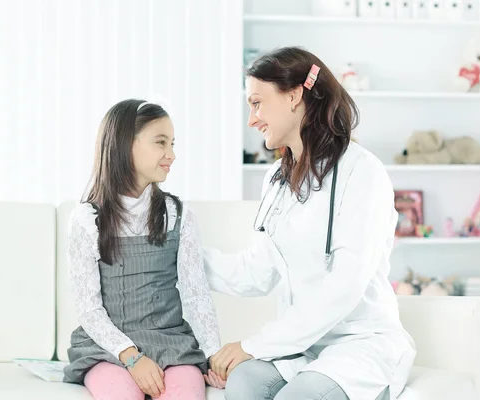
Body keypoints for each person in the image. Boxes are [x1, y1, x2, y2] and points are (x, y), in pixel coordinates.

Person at [204, 47, 417, 400]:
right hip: (302, 348)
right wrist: (180, 255)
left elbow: (344, 286)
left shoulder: (362, 172)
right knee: (242, 383)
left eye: (257, 103)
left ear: (293, 96)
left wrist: (255, 345)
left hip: (359, 344)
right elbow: (256, 272)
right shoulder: (276, 179)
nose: (251, 119)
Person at [63, 99, 224, 399]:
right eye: (161, 142)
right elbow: (88, 308)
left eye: (172, 143)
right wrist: (131, 356)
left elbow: (195, 293)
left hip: (171, 343)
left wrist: (214, 355)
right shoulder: (87, 220)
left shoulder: (178, 214)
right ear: (126, 145)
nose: (171, 155)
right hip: (108, 348)